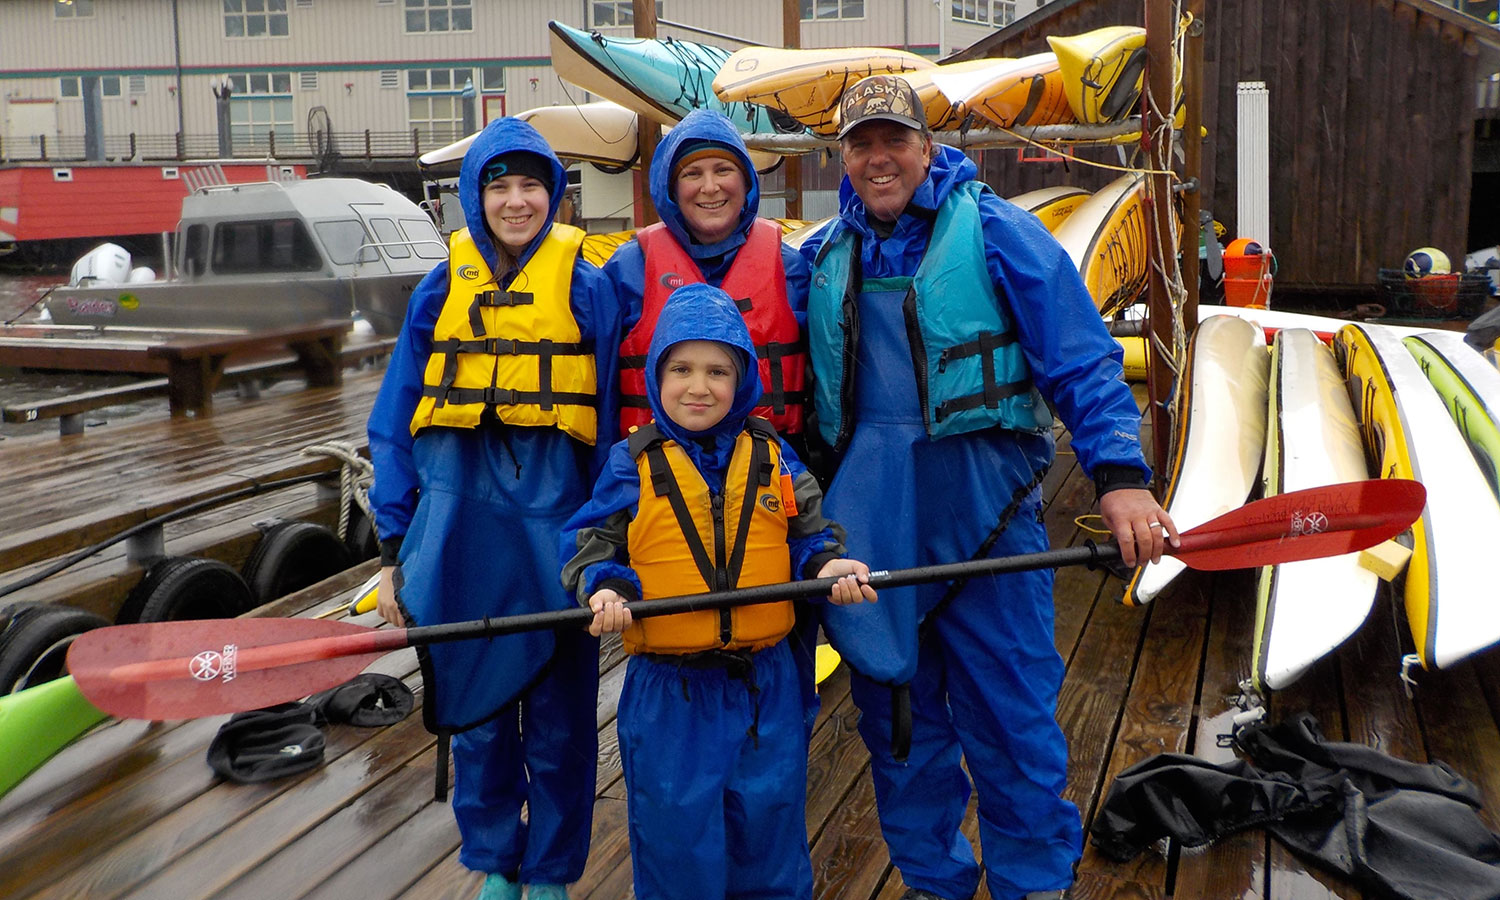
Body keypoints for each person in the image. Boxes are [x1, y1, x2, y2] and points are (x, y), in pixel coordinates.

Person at [797, 75, 1179, 900]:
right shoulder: (825, 255)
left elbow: (1081, 359)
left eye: (894, 139)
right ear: (843, 158)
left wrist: (1120, 478)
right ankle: (935, 885)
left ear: (927, 148)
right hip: (872, 529)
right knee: (901, 728)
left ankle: (1033, 887)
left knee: (1013, 726)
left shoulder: (1001, 235)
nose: (878, 157)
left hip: (989, 518)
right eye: (860, 144)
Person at [366, 117, 622, 900]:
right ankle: (491, 862)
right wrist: (392, 548)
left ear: (556, 195)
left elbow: (610, 415)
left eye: (531, 185)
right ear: (475, 198)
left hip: (555, 523)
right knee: (475, 707)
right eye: (500, 186)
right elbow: (395, 418)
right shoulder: (441, 284)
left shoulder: (587, 282)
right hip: (456, 527)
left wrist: (608, 532)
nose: (517, 202)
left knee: (561, 715)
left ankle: (548, 871)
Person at [559, 283, 876, 900]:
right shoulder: (631, 462)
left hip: (767, 688)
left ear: (742, 381)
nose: (697, 387)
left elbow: (810, 533)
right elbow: (589, 546)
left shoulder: (773, 456)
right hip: (670, 693)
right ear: (656, 376)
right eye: (680, 369)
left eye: (717, 371)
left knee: (769, 831)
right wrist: (604, 587)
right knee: (677, 842)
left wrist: (827, 566)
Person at [604, 108, 812, 448]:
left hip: (769, 464)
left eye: (724, 170)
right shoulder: (629, 268)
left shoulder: (791, 268)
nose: (710, 187)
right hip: (655, 467)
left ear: (747, 182)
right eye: (692, 173)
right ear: (671, 188)